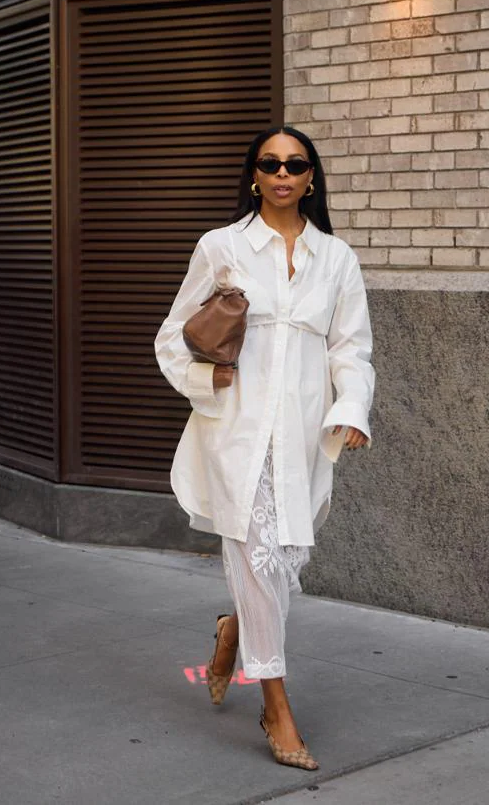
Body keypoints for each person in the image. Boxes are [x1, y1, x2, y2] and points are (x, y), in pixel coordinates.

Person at [154, 126, 374, 771]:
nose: (283, 173)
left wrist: (352, 408)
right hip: (236, 428)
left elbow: (350, 348)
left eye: (296, 163)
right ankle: (276, 704)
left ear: (312, 177)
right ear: (254, 174)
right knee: (255, 556)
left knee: (284, 560)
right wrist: (204, 378)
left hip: (304, 432)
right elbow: (173, 337)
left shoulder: (336, 258)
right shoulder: (220, 246)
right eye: (270, 163)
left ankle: (233, 632)